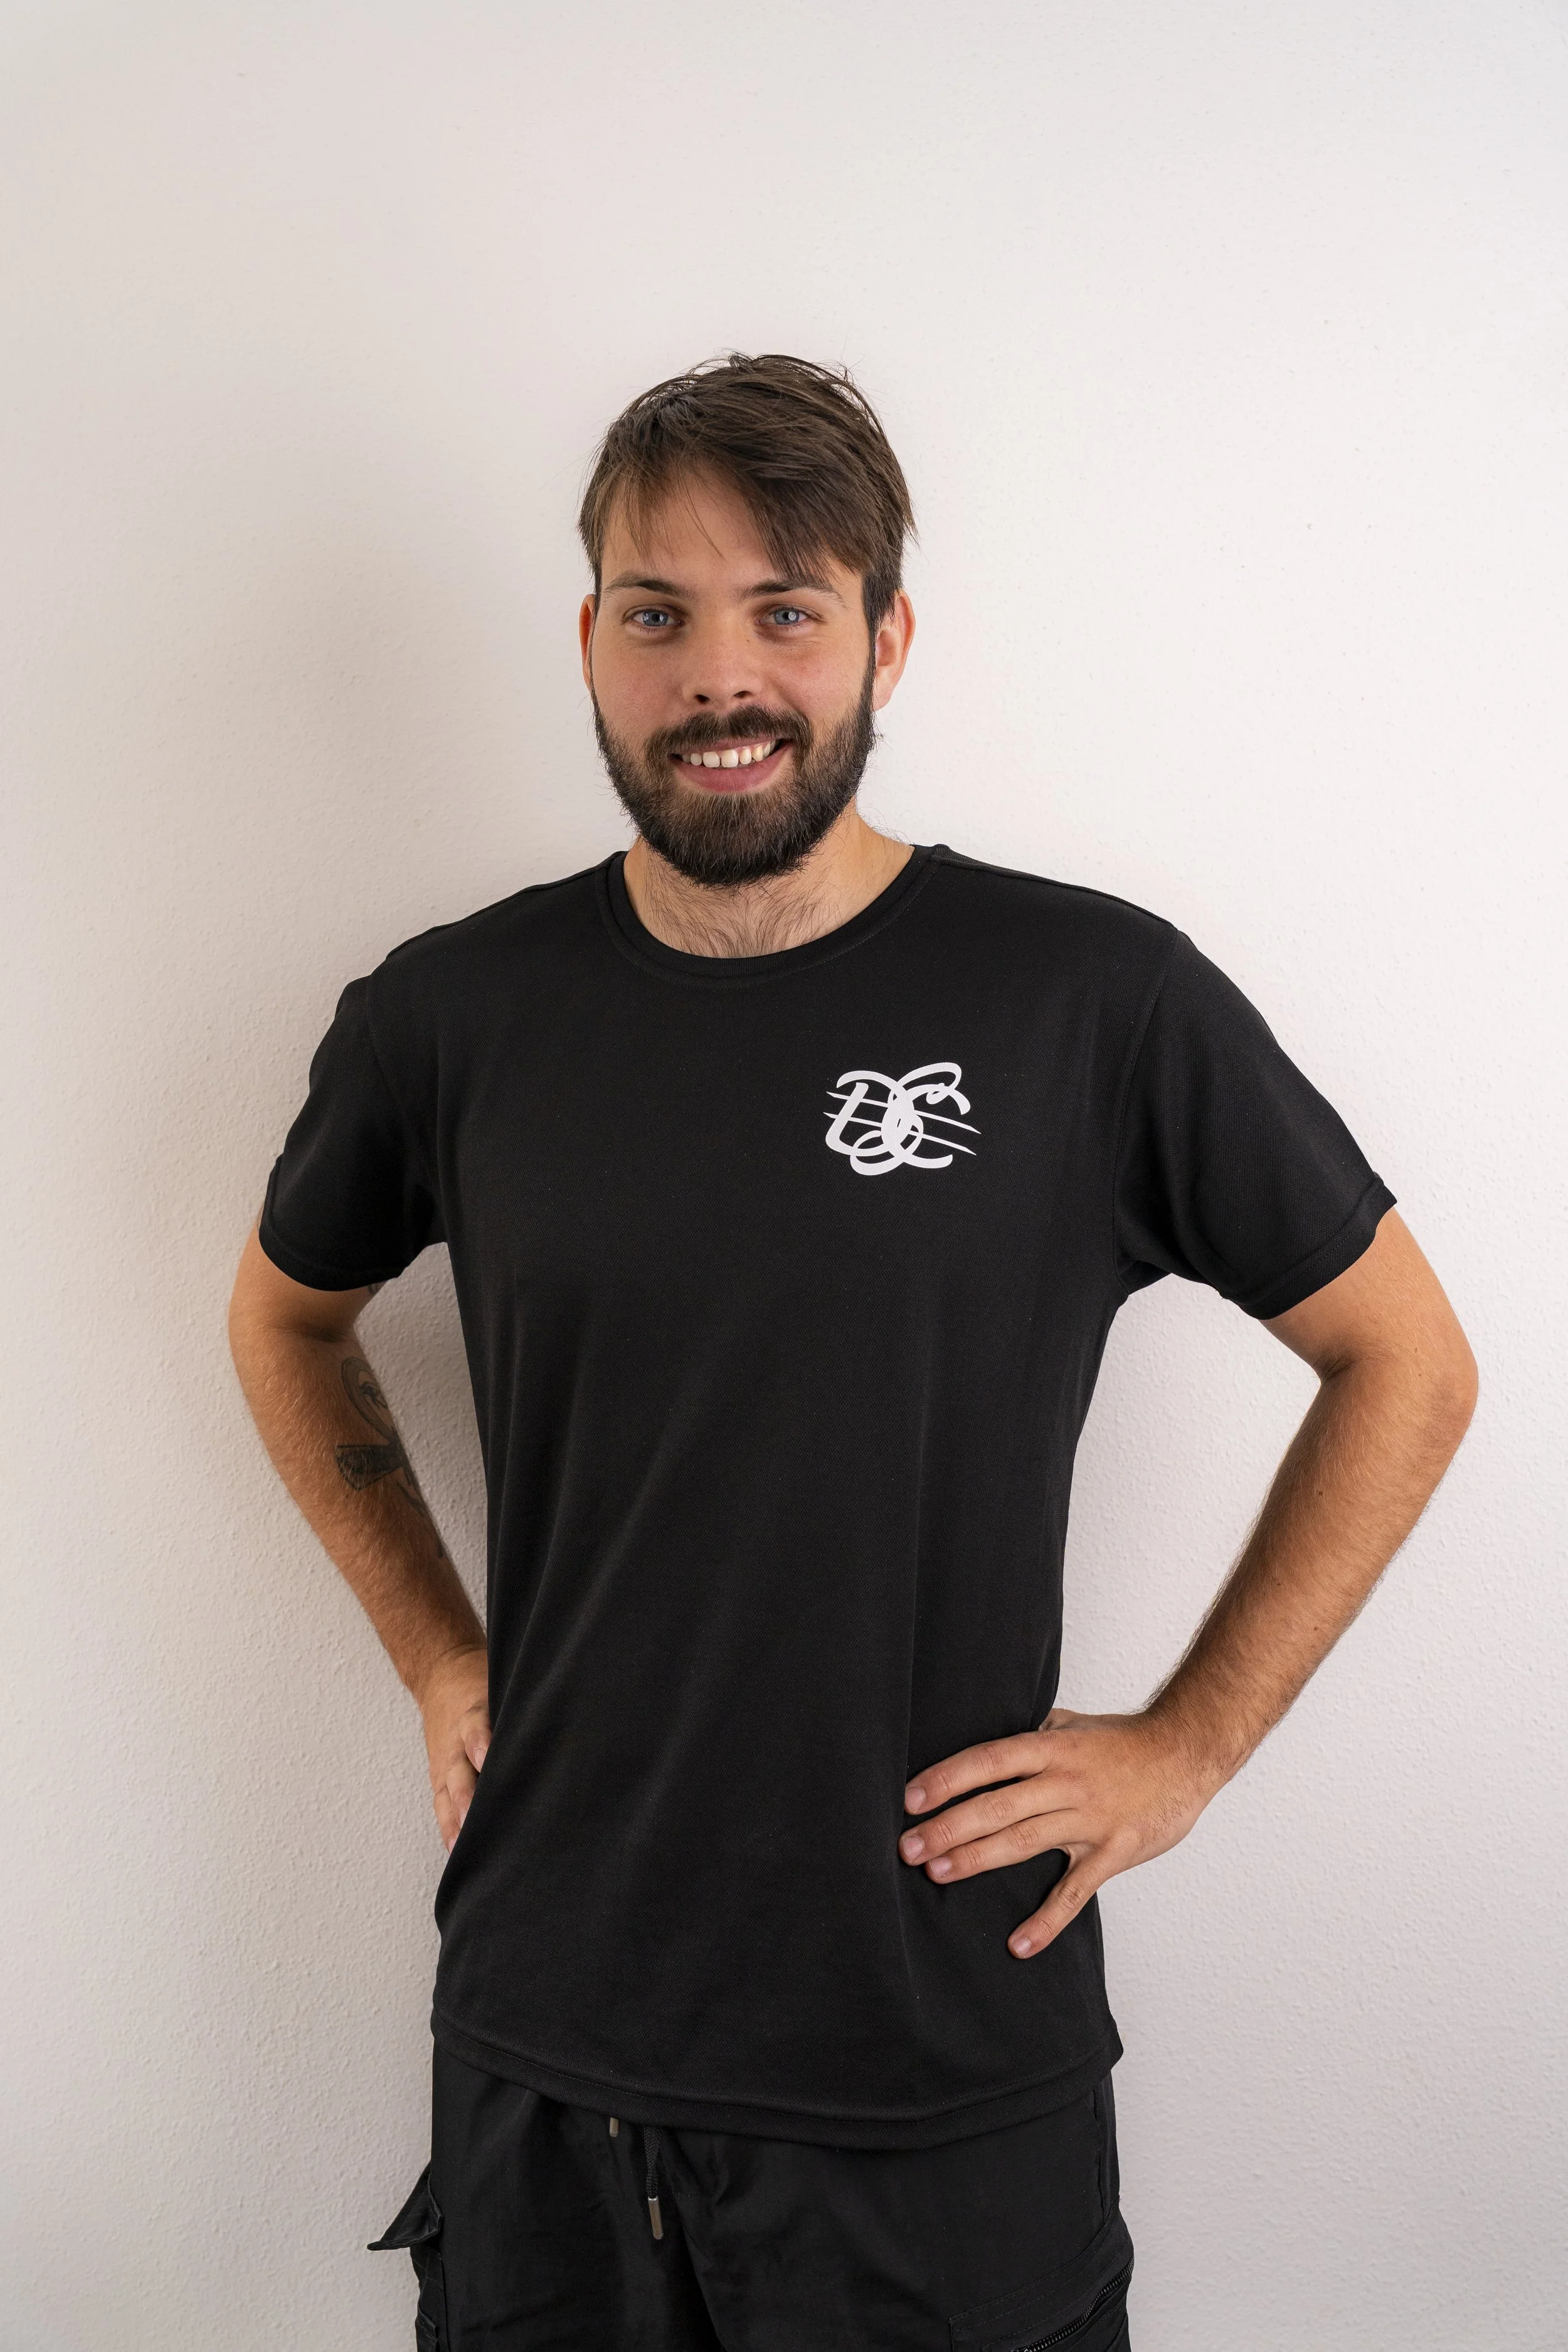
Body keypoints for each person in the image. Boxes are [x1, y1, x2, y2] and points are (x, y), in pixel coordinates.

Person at [227, 352, 1477, 2352]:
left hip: (936, 2068)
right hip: (552, 2055)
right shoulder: (453, 1019)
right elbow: (283, 1320)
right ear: (592, 643)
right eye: (660, 612)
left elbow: (1406, 1358)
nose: (720, 677)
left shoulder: (1092, 1000)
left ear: (886, 635)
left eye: (785, 608)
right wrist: (435, 1645)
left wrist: (1190, 1743)